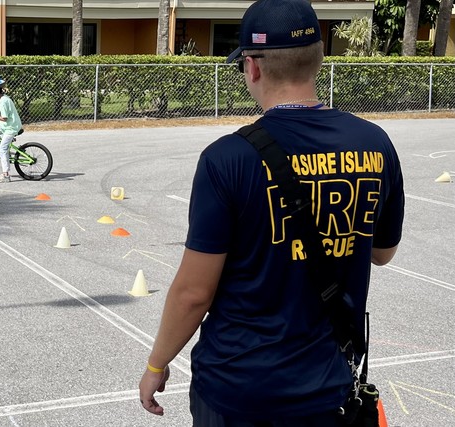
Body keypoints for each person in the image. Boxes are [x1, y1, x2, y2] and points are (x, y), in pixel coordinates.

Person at [138, 0, 405, 426]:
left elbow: (193, 293)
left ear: (253, 67)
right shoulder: (376, 143)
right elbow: (382, 251)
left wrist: (157, 364)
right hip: (326, 386)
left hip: (238, 388)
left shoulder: (227, 158)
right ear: (318, 59)